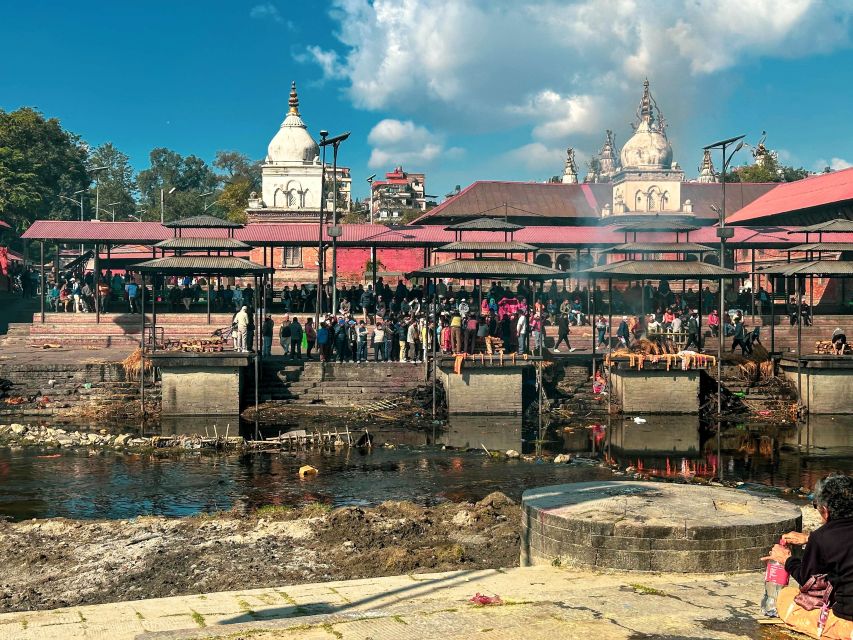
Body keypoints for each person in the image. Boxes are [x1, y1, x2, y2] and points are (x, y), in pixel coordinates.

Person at [762, 474, 853, 639]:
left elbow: (809, 580)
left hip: (848, 622)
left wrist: (787, 560)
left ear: (825, 509)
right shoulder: (822, 537)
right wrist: (808, 538)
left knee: (786, 597)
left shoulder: (823, 537)